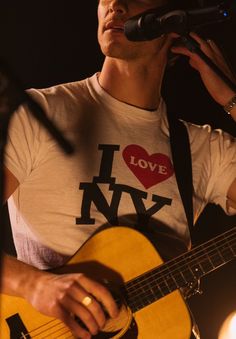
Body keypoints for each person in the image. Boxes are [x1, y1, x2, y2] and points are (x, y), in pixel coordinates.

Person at [1, 0, 236, 338]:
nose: (116, 5)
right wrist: (33, 285)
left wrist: (231, 98)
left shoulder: (205, 151)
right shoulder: (39, 115)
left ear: (173, 20)